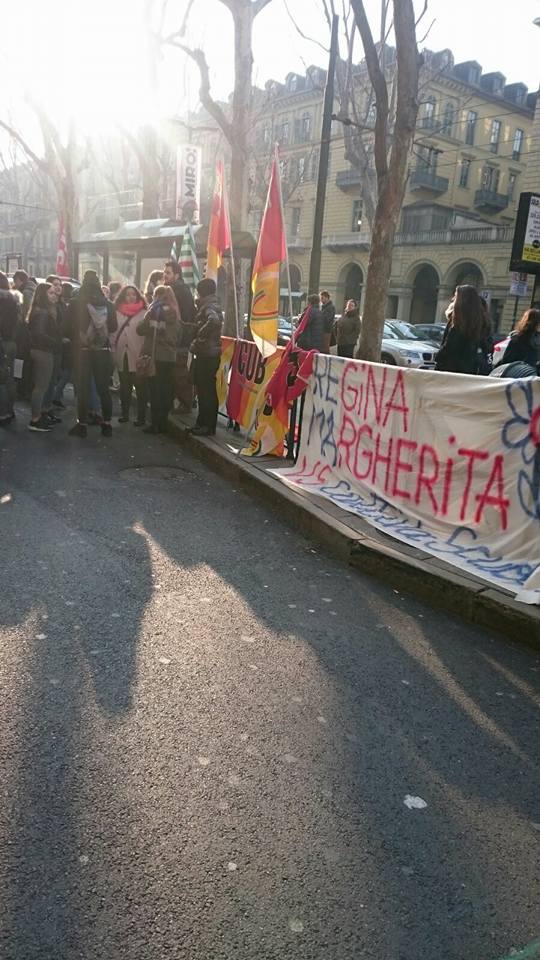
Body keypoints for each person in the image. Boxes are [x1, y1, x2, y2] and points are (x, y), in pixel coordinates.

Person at [67, 270, 117, 438]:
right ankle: (107, 425)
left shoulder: (75, 303)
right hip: (102, 350)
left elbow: (66, 328)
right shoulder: (108, 304)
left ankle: (82, 425)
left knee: (83, 389)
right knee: (104, 389)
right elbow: (114, 327)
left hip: (82, 351)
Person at [137, 285, 179, 435]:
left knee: (155, 391)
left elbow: (140, 329)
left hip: (155, 355)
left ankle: (155, 424)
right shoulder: (175, 313)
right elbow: (179, 335)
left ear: (156, 296)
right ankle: (164, 422)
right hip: (170, 356)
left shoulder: (154, 311)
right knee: (166, 390)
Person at [188, 278, 223, 437]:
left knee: (205, 390)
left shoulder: (208, 306)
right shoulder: (212, 304)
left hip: (207, 353)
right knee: (205, 389)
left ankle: (207, 425)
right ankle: (203, 423)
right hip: (209, 353)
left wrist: (200, 336)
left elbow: (213, 321)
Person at [163, 259, 197, 413]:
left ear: (176, 275)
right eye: (164, 272)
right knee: (171, 372)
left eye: (168, 273)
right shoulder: (171, 289)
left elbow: (185, 316)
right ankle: (170, 401)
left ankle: (185, 403)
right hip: (171, 338)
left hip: (180, 339)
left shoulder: (181, 291)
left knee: (179, 373)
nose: (165, 275)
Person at [111, 284, 148, 425]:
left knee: (140, 388)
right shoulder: (116, 312)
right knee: (124, 386)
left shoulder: (144, 313)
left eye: (134, 294)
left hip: (138, 355)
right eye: (128, 294)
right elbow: (112, 333)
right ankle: (125, 414)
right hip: (122, 354)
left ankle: (141, 417)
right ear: (123, 296)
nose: (131, 297)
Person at [435, 285, 491, 375]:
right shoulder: (482, 321)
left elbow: (449, 348)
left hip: (450, 371)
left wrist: (438, 356)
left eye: (456, 296)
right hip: (472, 371)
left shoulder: (458, 322)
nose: (453, 299)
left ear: (461, 300)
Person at [26, 282, 60, 433]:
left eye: (54, 292)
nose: (54, 295)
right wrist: (55, 342)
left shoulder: (39, 310)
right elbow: (39, 334)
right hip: (43, 351)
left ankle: (38, 416)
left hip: (39, 350)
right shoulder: (43, 312)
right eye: (50, 293)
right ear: (43, 295)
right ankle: (35, 420)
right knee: (41, 387)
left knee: (40, 387)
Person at [0, 271, 19, 426]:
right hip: (12, 342)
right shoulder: (14, 299)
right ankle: (9, 410)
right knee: (9, 378)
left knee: (2, 380)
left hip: (2, 342)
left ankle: (3, 413)